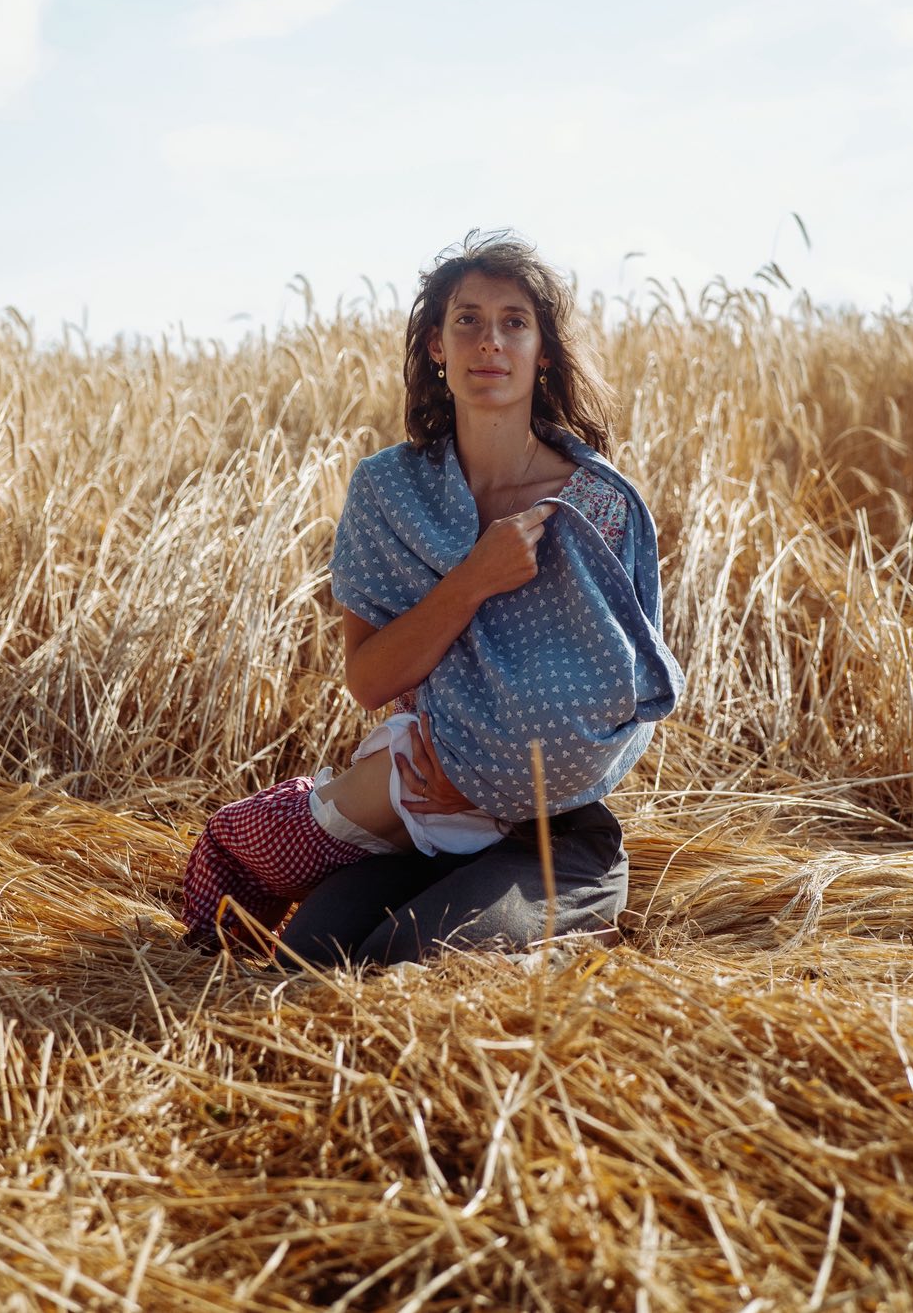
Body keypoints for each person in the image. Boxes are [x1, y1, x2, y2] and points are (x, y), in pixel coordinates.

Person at [182, 232, 684, 964]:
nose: (491, 342)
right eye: (468, 320)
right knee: (310, 954)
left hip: (554, 833)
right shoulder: (390, 493)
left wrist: (492, 785)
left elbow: (631, 703)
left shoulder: (597, 504)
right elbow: (369, 678)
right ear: (436, 346)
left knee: (405, 961)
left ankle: (581, 922)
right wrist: (475, 576)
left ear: (544, 350)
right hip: (427, 827)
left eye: (515, 321)